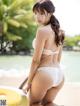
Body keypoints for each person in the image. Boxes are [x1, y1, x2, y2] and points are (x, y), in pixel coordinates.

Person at [23, 0, 65, 106]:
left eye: (42, 13)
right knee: (48, 103)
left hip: (45, 73)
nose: (38, 17)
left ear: (50, 14)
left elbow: (36, 60)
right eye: (36, 13)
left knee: (34, 103)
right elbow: (59, 57)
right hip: (59, 75)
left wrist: (29, 83)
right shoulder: (60, 31)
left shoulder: (42, 31)